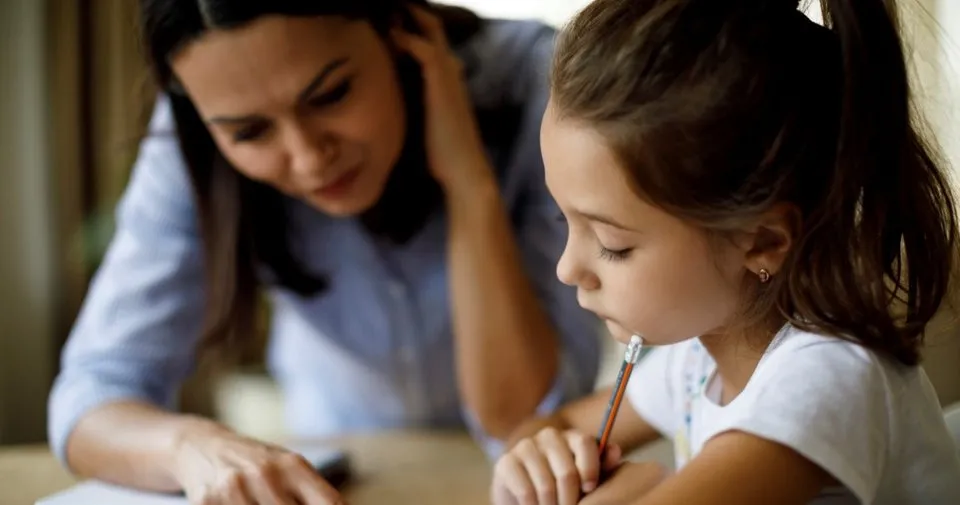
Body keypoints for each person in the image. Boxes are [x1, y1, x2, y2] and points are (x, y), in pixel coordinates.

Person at [47, 1, 602, 503]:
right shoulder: (197, 127)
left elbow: (519, 419)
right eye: (250, 134)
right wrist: (190, 445)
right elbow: (94, 390)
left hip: (514, 475)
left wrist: (467, 181)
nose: (309, 159)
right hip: (340, 465)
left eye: (331, 94)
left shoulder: (537, 82)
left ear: (396, 30)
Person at [491, 0, 960, 504]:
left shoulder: (829, 380)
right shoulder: (697, 360)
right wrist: (533, 462)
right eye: (565, 221)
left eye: (613, 245)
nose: (567, 269)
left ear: (761, 242)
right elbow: (553, 425)